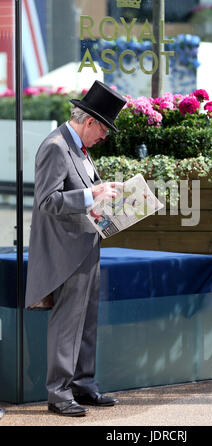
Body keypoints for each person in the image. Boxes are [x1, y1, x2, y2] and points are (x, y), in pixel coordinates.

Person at [25, 80, 126, 417]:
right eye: (104, 130)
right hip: (66, 252)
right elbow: (47, 201)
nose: (105, 137)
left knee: (86, 323)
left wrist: (106, 190)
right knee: (68, 323)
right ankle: (59, 394)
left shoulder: (78, 148)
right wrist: (92, 195)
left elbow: (85, 192)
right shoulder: (56, 146)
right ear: (90, 121)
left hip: (86, 245)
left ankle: (83, 386)